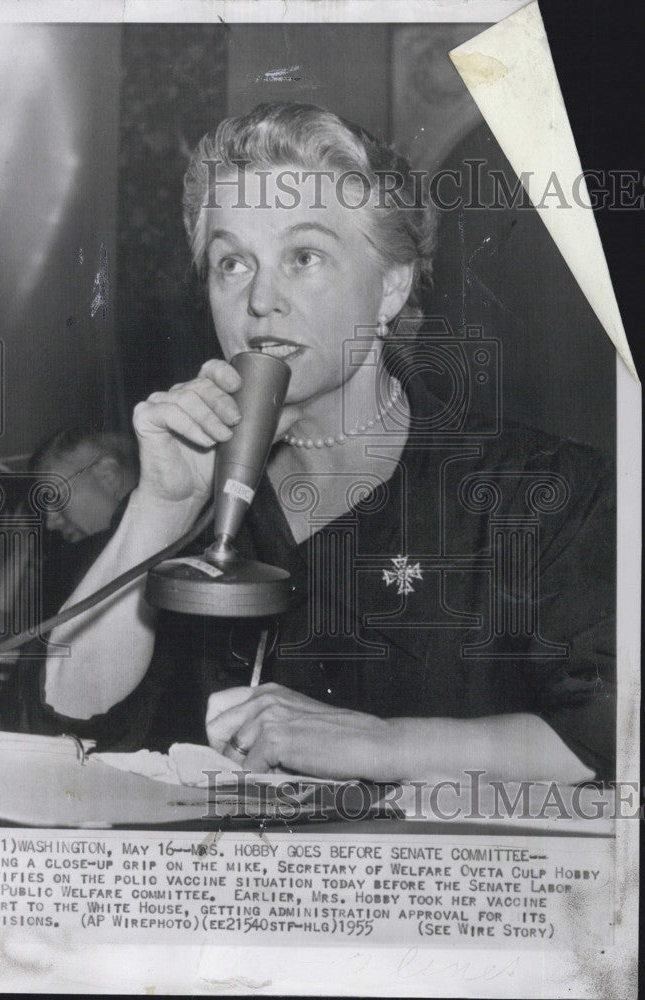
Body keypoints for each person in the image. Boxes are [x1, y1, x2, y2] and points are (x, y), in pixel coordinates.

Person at [41, 103, 614, 782]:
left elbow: (608, 733)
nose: (260, 300)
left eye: (303, 256)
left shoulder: (539, 491)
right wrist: (162, 505)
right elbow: (72, 711)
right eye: (231, 263)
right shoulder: (190, 488)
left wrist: (381, 746)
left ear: (391, 287)